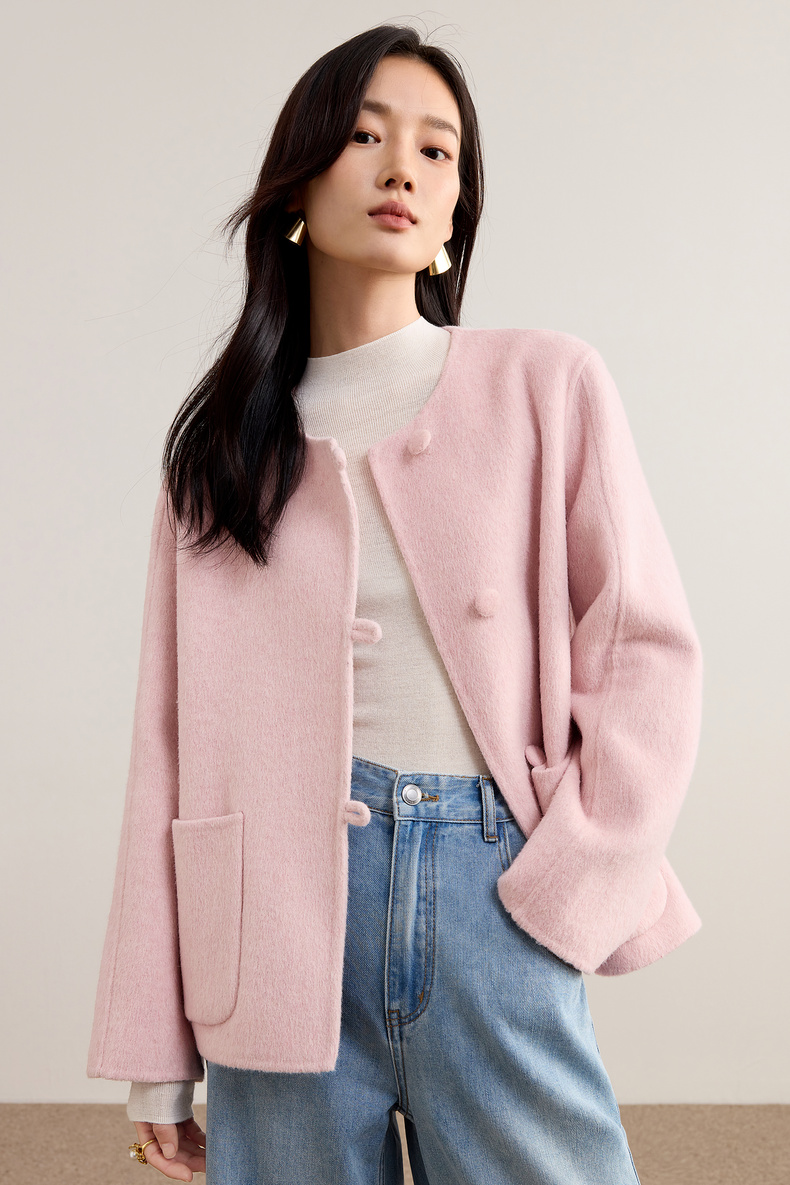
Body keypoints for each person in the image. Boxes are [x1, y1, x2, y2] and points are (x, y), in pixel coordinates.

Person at [87, 22, 703, 1185]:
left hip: (494, 894)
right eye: (366, 136)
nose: (403, 170)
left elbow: (645, 656)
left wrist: (567, 888)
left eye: (436, 150)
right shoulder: (220, 454)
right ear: (296, 185)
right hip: (268, 934)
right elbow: (166, 752)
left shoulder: (545, 384)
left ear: (455, 208)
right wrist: (155, 1056)